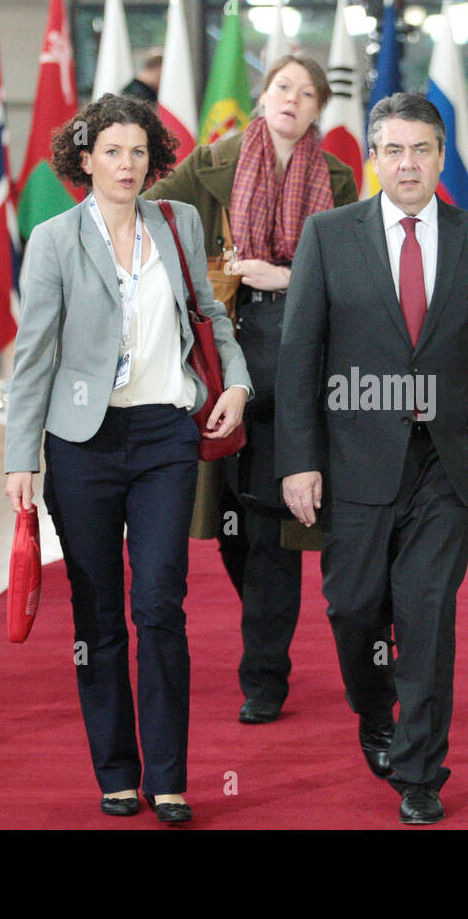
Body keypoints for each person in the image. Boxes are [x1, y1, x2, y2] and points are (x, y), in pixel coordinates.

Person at [276, 92, 468, 825]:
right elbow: (299, 357)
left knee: (426, 609)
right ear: (373, 159)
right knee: (352, 607)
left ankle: (421, 770)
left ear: (441, 157)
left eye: (422, 149)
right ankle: (375, 712)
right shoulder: (328, 236)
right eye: (393, 150)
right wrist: (299, 461)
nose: (408, 163)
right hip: (353, 460)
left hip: (446, 464)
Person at [4, 94, 249, 824]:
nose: (126, 165)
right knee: (100, 614)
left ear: (153, 161)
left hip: (165, 436)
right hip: (81, 445)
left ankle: (169, 777)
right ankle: (116, 771)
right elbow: (33, 357)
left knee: (160, 605)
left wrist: (235, 379)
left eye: (138, 152)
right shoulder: (53, 240)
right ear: (84, 160)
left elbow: (209, 313)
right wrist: (21, 458)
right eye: (111, 151)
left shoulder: (177, 223)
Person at [144, 55, 357, 725]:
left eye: (306, 92)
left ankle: (264, 676)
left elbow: (356, 273)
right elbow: (144, 222)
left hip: (300, 361)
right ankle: (265, 632)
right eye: (282, 87)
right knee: (232, 520)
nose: (292, 99)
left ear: (320, 106)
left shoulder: (340, 179)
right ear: (262, 96)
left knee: (272, 523)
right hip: (218, 361)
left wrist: (284, 276)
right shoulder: (211, 164)